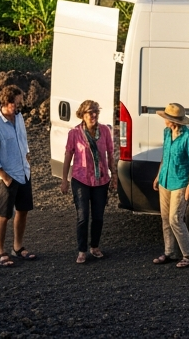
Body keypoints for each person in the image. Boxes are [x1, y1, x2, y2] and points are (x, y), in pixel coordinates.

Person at [0, 84, 35, 267]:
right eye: (16, 103)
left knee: (23, 210)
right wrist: (5, 177)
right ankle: (0, 252)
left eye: (20, 102)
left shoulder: (19, 118)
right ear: (6, 102)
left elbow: (23, 139)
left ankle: (17, 248)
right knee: (4, 215)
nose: (19, 106)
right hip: (6, 176)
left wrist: (27, 156)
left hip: (23, 172)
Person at [59, 99, 117, 264]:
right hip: (81, 179)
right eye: (90, 112)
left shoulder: (105, 131)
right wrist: (64, 179)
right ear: (82, 115)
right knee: (83, 216)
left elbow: (110, 154)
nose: (94, 115)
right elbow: (68, 156)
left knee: (98, 217)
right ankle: (82, 250)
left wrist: (114, 176)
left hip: (101, 180)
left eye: (96, 112)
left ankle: (95, 246)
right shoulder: (74, 133)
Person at [151, 102, 189, 268]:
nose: (164, 120)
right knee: (165, 218)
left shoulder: (188, 137)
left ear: (174, 121)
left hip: (180, 182)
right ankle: (170, 252)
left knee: (175, 219)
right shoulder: (167, 132)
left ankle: (188, 254)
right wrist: (158, 176)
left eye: (166, 118)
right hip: (165, 180)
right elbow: (165, 156)